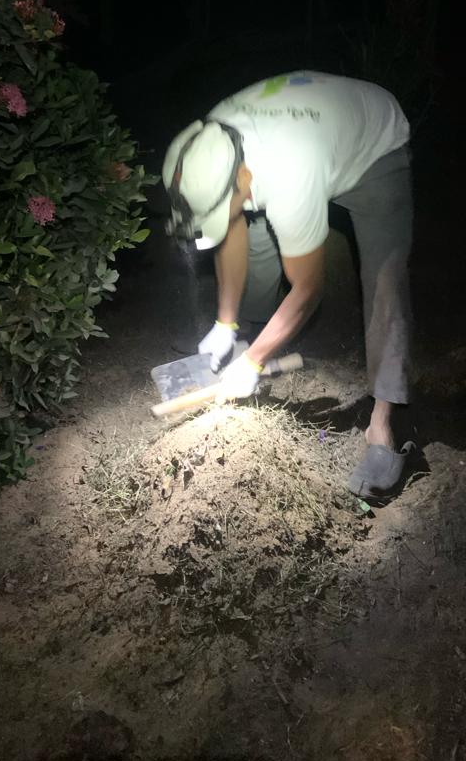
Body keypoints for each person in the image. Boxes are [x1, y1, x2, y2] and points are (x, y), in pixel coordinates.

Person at [162, 70, 415, 496]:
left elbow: (308, 288)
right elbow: (230, 224)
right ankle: (247, 341)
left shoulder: (290, 170)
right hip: (312, 136)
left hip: (374, 144)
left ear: (244, 179)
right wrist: (225, 324)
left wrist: (254, 363)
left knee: (384, 280)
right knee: (258, 250)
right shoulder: (210, 145)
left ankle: (383, 426)